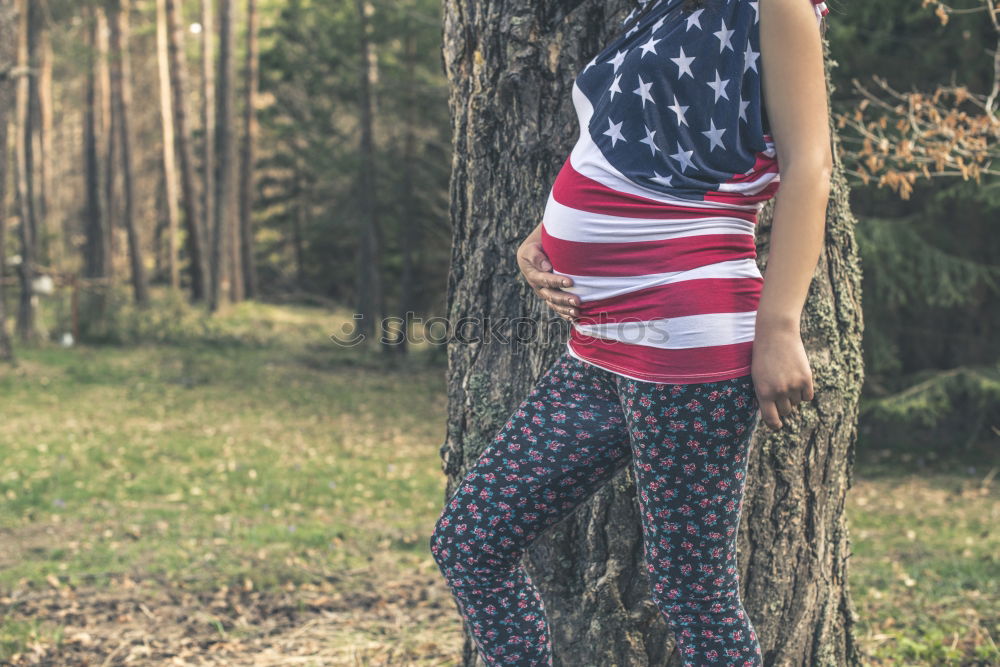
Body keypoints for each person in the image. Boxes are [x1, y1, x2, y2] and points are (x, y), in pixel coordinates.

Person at [431, 0, 833, 664]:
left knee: (692, 593)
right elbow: (622, 137)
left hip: (689, 334)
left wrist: (780, 324)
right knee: (470, 540)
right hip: (600, 345)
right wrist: (549, 228)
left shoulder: (775, 5)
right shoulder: (664, 6)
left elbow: (809, 165)